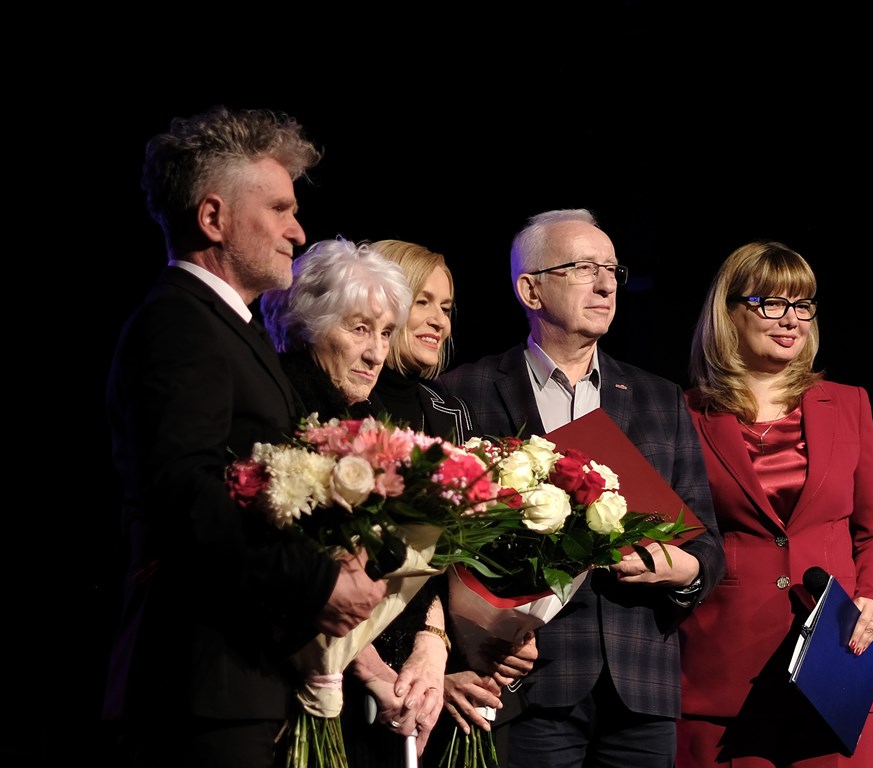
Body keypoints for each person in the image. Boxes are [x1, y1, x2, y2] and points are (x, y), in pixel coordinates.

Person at [103, 106, 390, 768]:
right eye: (280, 209)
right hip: (199, 687)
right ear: (214, 218)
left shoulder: (229, 328)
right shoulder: (179, 324)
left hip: (237, 681)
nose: (298, 230)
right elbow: (185, 496)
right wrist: (318, 583)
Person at [439, 208, 726, 768]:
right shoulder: (465, 391)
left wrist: (678, 568)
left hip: (640, 685)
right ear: (531, 289)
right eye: (584, 268)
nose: (605, 285)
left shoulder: (659, 398)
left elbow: (708, 547)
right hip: (523, 680)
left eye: (612, 270)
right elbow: (441, 545)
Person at [261, 237, 537, 765]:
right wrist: (375, 672)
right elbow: (300, 570)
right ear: (309, 325)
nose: (375, 351)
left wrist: (432, 651)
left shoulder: (377, 418)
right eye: (360, 329)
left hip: (392, 690)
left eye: (384, 332)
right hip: (300, 681)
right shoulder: (289, 411)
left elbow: (430, 565)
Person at [676, 240, 873, 767]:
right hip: (721, 670)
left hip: (835, 662)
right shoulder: (685, 413)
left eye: (802, 304)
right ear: (729, 312)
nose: (791, 319)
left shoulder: (849, 403)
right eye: (771, 303)